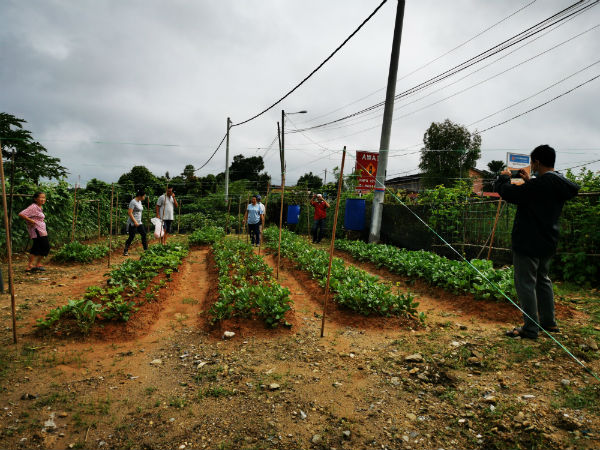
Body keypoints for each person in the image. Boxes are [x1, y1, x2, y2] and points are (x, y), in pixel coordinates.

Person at [494, 145, 579, 339]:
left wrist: (503, 178)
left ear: (537, 162)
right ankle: (549, 323)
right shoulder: (557, 183)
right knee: (543, 280)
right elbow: (538, 194)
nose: (531, 165)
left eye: (532, 162)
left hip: (528, 242)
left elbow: (509, 193)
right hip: (548, 241)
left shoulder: (538, 185)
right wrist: (529, 180)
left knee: (525, 284)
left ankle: (531, 328)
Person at [19, 192, 50, 272]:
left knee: (42, 247)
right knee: (40, 247)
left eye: (44, 197)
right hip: (36, 230)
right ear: (35, 199)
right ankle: (31, 266)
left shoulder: (39, 207)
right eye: (41, 197)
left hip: (41, 230)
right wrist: (31, 221)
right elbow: (21, 214)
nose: (43, 199)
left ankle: (36, 264)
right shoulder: (33, 207)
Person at [124, 190, 148, 256]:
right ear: (140, 196)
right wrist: (135, 222)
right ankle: (125, 250)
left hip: (139, 222)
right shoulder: (133, 202)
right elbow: (129, 212)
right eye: (144, 196)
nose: (144, 197)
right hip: (132, 223)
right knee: (131, 237)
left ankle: (146, 250)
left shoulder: (139, 201)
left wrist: (138, 222)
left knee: (144, 234)